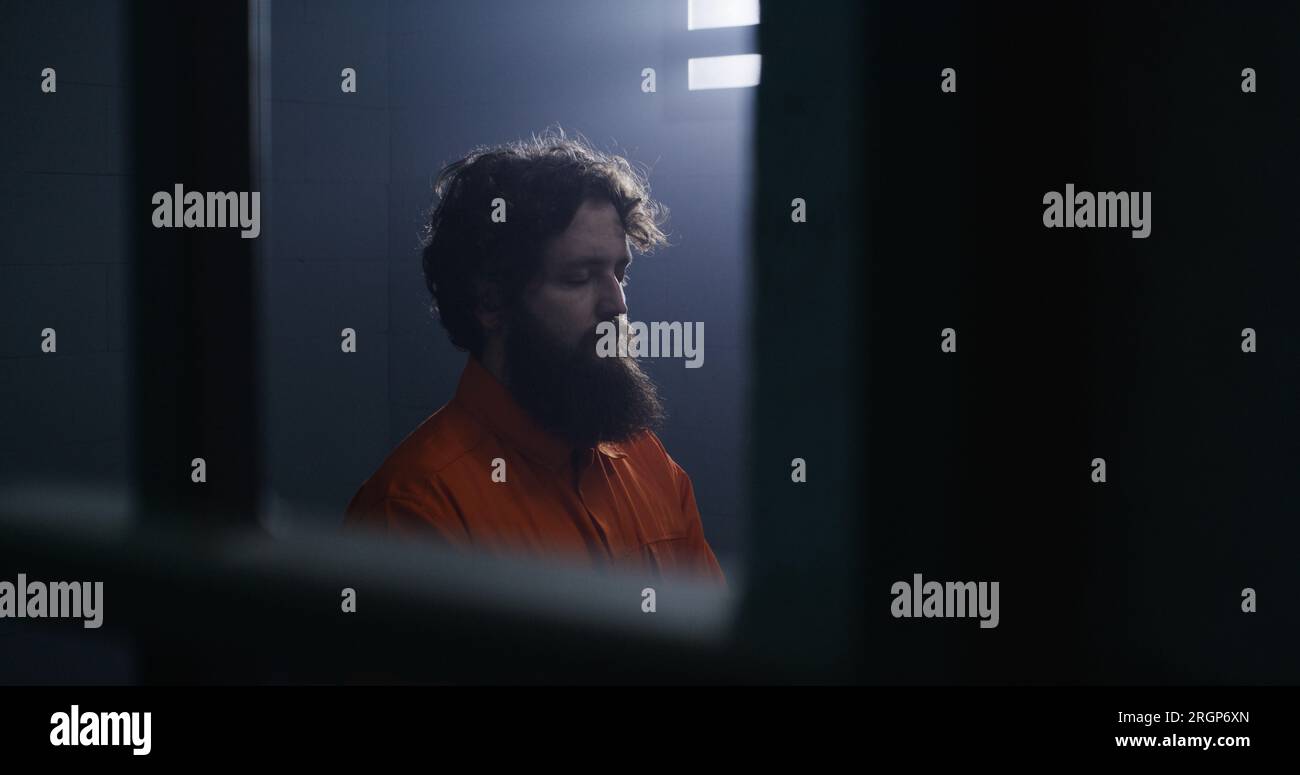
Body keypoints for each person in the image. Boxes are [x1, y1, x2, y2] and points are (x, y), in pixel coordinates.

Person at [344, 129, 726, 586]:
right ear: (491, 303)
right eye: (579, 277)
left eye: (621, 274)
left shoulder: (649, 462)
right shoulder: (415, 510)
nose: (617, 304)